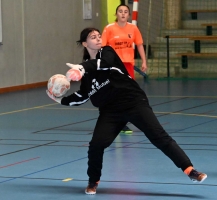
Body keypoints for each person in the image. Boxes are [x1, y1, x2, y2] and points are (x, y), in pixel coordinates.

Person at [46, 27, 207, 195]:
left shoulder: (107, 53)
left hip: (134, 103)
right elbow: (81, 96)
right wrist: (60, 99)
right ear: (85, 43)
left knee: (160, 137)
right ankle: (93, 181)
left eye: (99, 36)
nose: (98, 39)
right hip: (110, 112)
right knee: (96, 145)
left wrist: (81, 68)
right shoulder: (87, 74)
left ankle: (190, 170)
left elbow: (104, 64)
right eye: (93, 37)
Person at [101, 4, 148, 134]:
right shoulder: (109, 29)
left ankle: (124, 120)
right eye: (120, 11)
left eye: (125, 12)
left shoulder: (133, 28)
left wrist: (144, 61)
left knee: (128, 93)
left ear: (128, 15)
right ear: (116, 14)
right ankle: (115, 121)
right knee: (114, 93)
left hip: (128, 65)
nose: (123, 14)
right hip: (114, 66)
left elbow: (139, 45)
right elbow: (102, 48)